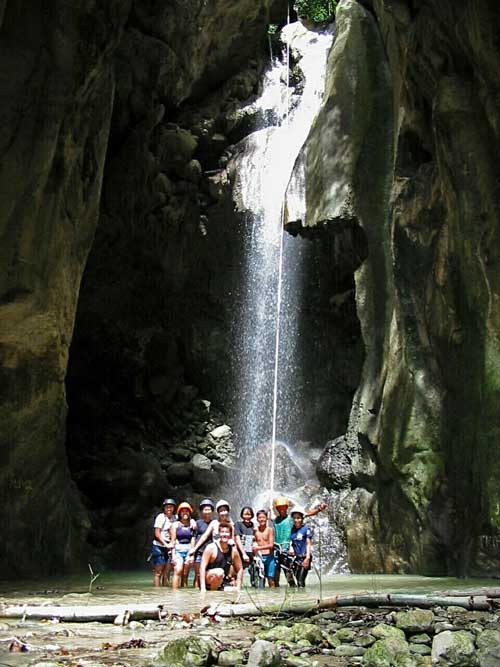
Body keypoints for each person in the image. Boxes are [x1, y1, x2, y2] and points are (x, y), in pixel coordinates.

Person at [273, 496, 327, 586]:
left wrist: (319, 509)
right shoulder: (276, 520)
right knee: (285, 577)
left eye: (283, 507)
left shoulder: (292, 519)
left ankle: (299, 595)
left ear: (286, 507)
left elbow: (307, 514)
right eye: (279, 507)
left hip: (289, 554)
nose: (281, 509)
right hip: (279, 551)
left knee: (296, 579)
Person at [199, 523, 243, 592]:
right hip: (209, 579)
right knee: (219, 572)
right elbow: (202, 568)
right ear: (219, 534)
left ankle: (217, 593)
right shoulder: (211, 548)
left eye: (227, 532)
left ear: (230, 534)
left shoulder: (233, 551)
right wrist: (202, 588)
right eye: (222, 532)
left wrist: (238, 588)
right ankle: (211, 594)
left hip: (222, 582)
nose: (224, 534)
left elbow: (240, 569)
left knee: (235, 592)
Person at [170, 502, 196, 589]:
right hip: (178, 550)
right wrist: (173, 555)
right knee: (178, 570)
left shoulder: (192, 524)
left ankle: (184, 594)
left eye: (187, 511)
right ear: (179, 513)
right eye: (183, 511)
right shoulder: (175, 525)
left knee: (185, 574)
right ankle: (175, 593)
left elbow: (193, 538)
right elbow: (173, 541)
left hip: (188, 549)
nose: (185, 513)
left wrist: (191, 555)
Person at [151, 498, 176, 587]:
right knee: (158, 572)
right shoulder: (161, 517)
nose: (169, 509)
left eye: (171, 507)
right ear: (164, 508)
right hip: (159, 546)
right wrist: (166, 544)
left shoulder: (174, 518)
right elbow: (157, 533)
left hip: (169, 547)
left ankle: (165, 594)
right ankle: (157, 593)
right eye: (167, 507)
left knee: (167, 572)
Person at [192, 498, 215, 588]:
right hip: (199, 552)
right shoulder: (197, 523)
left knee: (209, 573)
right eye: (205, 509)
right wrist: (192, 550)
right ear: (202, 511)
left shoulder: (215, 523)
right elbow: (193, 537)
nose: (207, 511)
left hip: (210, 553)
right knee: (198, 575)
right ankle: (196, 594)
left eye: (209, 509)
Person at [288, 507, 313, 587]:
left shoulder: (306, 529)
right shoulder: (293, 530)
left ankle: (303, 597)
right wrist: (291, 548)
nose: (296, 520)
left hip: (304, 557)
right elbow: (292, 542)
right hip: (296, 558)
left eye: (298, 518)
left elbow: (308, 543)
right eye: (294, 518)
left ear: (302, 518)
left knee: (300, 581)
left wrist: (308, 558)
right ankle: (299, 597)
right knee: (297, 578)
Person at [253, 509, 276, 587]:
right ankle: (262, 597)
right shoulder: (255, 531)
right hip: (259, 558)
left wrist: (258, 548)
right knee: (260, 580)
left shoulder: (270, 530)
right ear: (257, 519)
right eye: (259, 518)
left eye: (263, 517)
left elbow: (271, 545)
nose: (261, 519)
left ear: (267, 518)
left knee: (271, 579)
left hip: (269, 557)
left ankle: (272, 597)